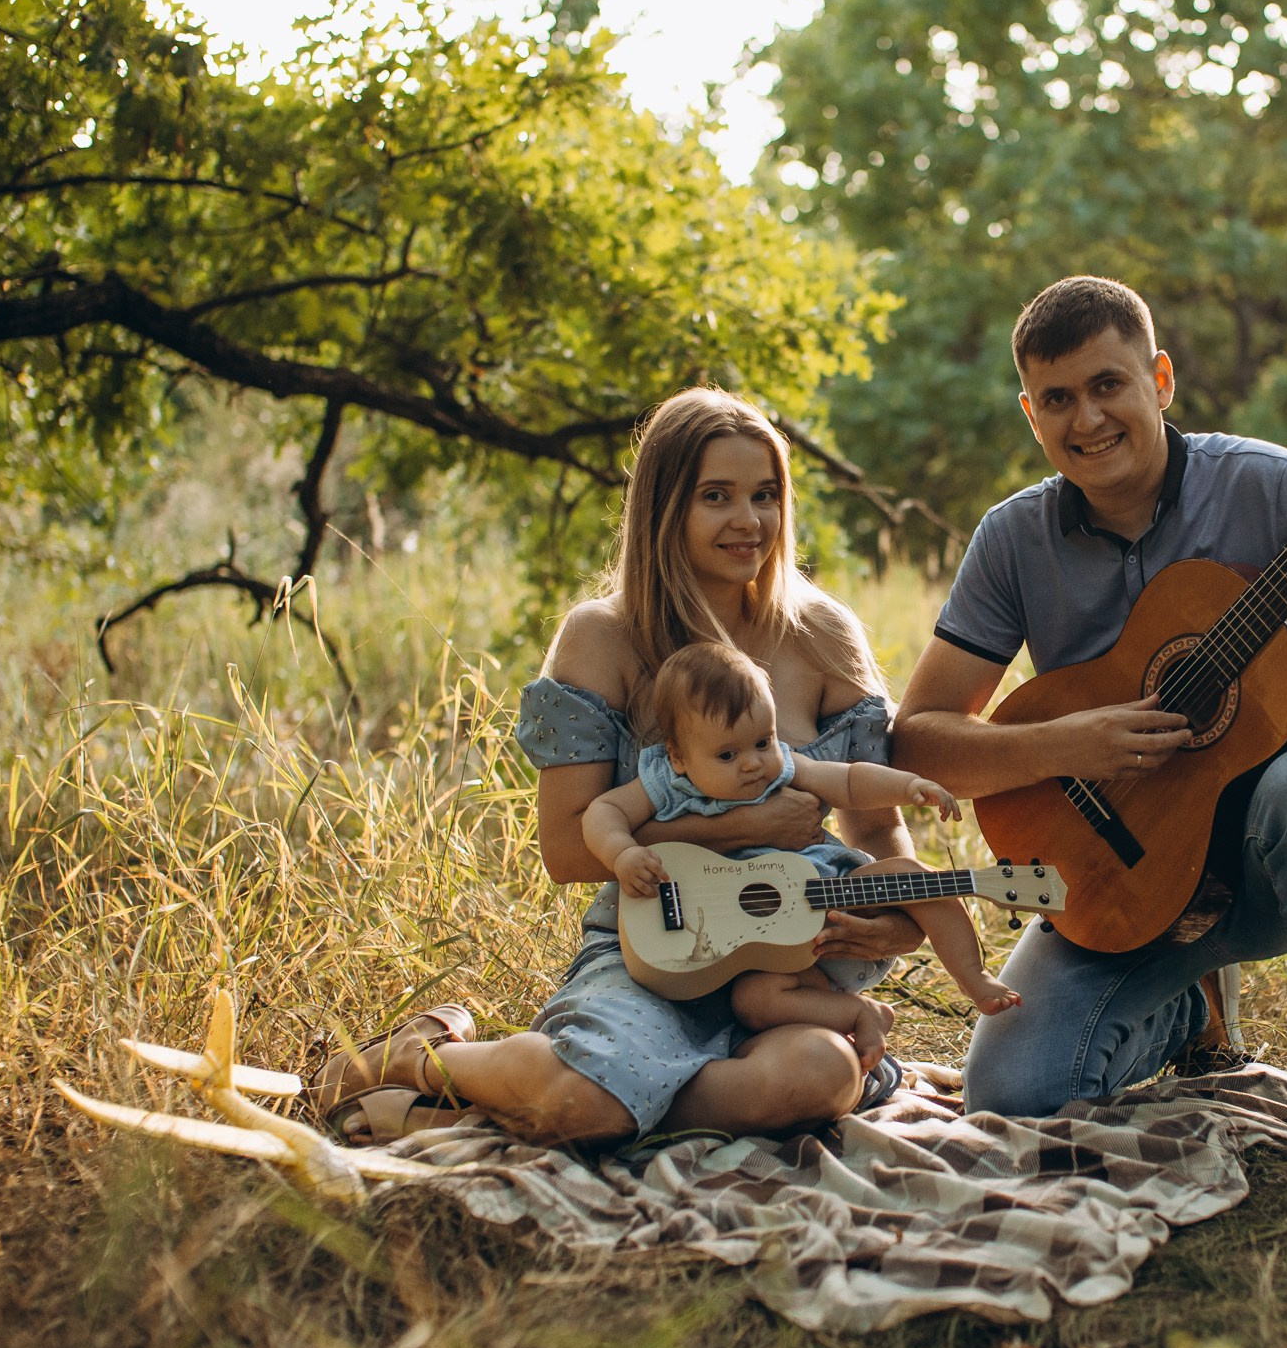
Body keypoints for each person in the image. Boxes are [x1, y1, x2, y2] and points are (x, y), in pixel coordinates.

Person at [891, 276, 1287, 1169]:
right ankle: (1185, 1013)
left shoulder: (1274, 488)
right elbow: (918, 740)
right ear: (1030, 415)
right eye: (1057, 400)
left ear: (1159, 379)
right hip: (1118, 880)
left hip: (1264, 868)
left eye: (1107, 385)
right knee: (1009, 1096)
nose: (1086, 419)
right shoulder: (1013, 540)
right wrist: (1072, 743)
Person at [307, 388, 927, 1147]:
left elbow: (881, 830)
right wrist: (746, 825)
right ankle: (423, 1057)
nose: (749, 521)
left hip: (784, 979)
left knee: (822, 1077)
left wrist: (897, 923)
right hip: (650, 954)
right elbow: (567, 852)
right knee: (584, 1108)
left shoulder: (824, 635)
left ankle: (552, 1098)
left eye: (765, 495)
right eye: (716, 496)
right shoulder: (603, 636)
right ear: (665, 508)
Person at [585, 641, 1022, 1033]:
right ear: (679, 757)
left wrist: (908, 787)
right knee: (754, 1002)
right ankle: (858, 1015)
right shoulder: (666, 780)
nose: (753, 763)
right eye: (727, 755)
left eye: (763, 741)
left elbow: (848, 783)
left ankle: (972, 975)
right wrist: (621, 852)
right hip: (763, 952)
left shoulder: (784, 766)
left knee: (917, 878)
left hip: (831, 893)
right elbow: (603, 811)